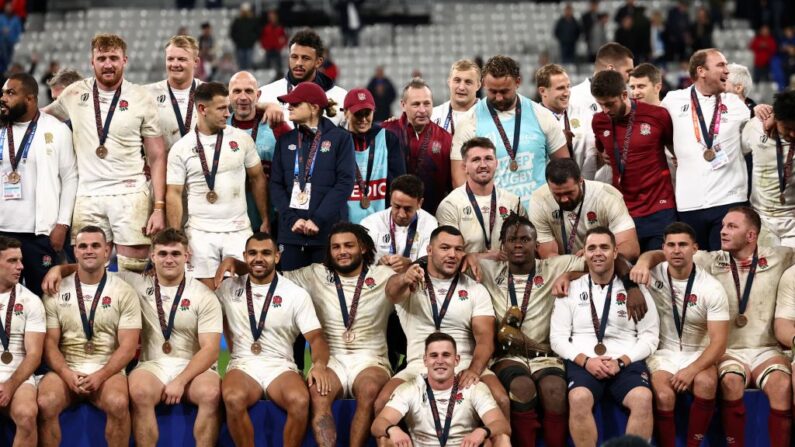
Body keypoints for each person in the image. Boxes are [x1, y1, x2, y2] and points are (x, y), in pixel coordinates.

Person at [43, 228, 223, 446]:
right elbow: (91, 267)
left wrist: (181, 380)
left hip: (191, 366)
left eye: (175, 254)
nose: (169, 259)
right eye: (163, 253)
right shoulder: (134, 282)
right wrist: (59, 269)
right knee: (139, 392)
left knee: (211, 394)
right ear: (152, 256)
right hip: (152, 365)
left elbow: (211, 350)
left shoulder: (204, 295)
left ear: (187, 256)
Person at [632, 206, 794, 447]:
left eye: (731, 227)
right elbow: (667, 252)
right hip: (727, 349)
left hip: (766, 348)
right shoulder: (708, 259)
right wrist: (643, 262)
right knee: (730, 382)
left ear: (751, 235)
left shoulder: (781, 257)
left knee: (781, 385)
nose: (723, 231)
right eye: (723, 226)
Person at [42, 33, 167, 274]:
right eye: (101, 58)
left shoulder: (141, 97)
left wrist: (159, 206)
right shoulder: (74, 93)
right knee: (87, 269)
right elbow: (39, 117)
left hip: (130, 193)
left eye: (113, 58)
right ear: (92, 62)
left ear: (125, 60)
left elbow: (157, 155)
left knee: (134, 272)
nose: (107, 64)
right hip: (87, 194)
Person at [278, 223, 395, 447]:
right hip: (331, 359)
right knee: (318, 392)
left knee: (370, 389)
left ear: (362, 247)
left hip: (371, 358)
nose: (342, 251)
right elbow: (272, 276)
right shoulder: (314, 274)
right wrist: (236, 265)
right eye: (336, 247)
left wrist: (412, 264)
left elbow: (409, 280)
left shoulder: (384, 275)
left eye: (348, 245)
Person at [375, 226, 510, 419]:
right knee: (381, 403)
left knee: (502, 399)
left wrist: (473, 370)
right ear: (429, 250)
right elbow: (391, 291)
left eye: (458, 249)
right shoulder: (411, 283)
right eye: (445, 248)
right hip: (419, 365)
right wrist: (404, 278)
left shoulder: (475, 290)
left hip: (463, 362)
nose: (452, 254)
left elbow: (485, 341)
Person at [216, 232, 330, 447]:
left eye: (266, 253)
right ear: (244, 256)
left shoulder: (296, 294)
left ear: (277, 257)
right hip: (243, 364)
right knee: (232, 397)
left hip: (281, 365)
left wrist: (320, 365)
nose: (259, 258)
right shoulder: (227, 289)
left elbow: (316, 338)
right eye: (253, 253)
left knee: (300, 400)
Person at [479, 214, 585, 447]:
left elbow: (602, 265)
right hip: (506, 356)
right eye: (512, 239)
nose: (518, 244)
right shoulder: (488, 270)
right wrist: (481, 255)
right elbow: (456, 259)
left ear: (536, 244)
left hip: (546, 355)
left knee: (555, 390)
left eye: (525, 239)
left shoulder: (555, 266)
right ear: (503, 245)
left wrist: (569, 275)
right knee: (521, 386)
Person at [550, 227, 659, 446]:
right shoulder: (570, 289)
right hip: (584, 361)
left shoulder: (635, 290)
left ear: (615, 252)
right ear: (584, 254)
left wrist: (622, 361)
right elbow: (558, 338)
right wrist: (586, 361)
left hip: (626, 360)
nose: (598, 253)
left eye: (604, 247)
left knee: (643, 399)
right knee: (578, 398)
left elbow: (650, 337)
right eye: (592, 248)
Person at [37, 226, 141, 447]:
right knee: (45, 403)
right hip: (67, 368)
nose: (89, 251)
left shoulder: (123, 291)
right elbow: (49, 343)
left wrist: (101, 375)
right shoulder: (57, 290)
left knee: (119, 402)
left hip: (107, 368)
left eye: (95, 245)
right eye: (82, 246)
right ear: (75, 251)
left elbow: (128, 347)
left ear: (107, 251)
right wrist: (66, 373)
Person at [166, 82, 267, 288]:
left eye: (227, 107)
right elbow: (174, 193)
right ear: (202, 109)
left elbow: (258, 178)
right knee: (204, 294)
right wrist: (176, 236)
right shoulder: (181, 148)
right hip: (199, 233)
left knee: (242, 294)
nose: (228, 113)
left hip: (238, 229)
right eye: (221, 108)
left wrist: (265, 219)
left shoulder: (241, 140)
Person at [642, 222, 729, 447]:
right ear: (664, 249)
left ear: (695, 249)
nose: (676, 250)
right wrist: (643, 260)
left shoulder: (711, 287)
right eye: (671, 245)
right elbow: (621, 264)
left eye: (683, 244)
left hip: (697, 351)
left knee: (707, 383)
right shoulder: (650, 274)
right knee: (663, 395)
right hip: (663, 352)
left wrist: (691, 370)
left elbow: (719, 344)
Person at [661, 49, 751, 251]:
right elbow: (659, 134)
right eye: (721, 65)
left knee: (725, 265)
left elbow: (753, 138)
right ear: (701, 71)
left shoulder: (735, 104)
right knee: (697, 266)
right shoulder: (672, 101)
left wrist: (763, 111)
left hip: (730, 200)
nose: (727, 71)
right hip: (689, 202)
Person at [452, 55, 568, 210]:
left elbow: (564, 166)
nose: (499, 98)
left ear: (518, 82)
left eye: (504, 91)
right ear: (484, 84)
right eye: (492, 91)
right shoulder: (469, 121)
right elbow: (459, 177)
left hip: (540, 214)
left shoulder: (541, 115)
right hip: (494, 215)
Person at [0, 73, 76, 297]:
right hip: (2, 229)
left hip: (39, 233)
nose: (3, 98)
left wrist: (62, 224)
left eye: (11, 93)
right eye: (3, 93)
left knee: (42, 295)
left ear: (31, 99)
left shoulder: (56, 130)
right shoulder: (1, 128)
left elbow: (71, 178)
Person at [371, 332, 511, 447]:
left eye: (446, 355)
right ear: (425, 361)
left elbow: (503, 425)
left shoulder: (473, 388)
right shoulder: (410, 389)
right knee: (386, 440)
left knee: (501, 439)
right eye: (434, 356)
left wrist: (483, 431)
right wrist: (392, 429)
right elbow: (378, 424)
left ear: (456, 360)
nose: (440, 361)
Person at [269, 82, 354, 270]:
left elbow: (345, 183)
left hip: (328, 233)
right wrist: (292, 220)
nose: (289, 107)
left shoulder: (341, 138)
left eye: (296, 103)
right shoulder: (285, 141)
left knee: (327, 295)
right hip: (291, 234)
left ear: (314, 108)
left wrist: (318, 219)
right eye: (289, 103)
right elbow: (275, 185)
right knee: (292, 294)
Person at [591, 69, 676, 252]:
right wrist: (605, 155)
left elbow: (674, 150)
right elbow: (602, 150)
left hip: (658, 206)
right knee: (627, 269)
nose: (606, 110)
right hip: (623, 210)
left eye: (610, 104)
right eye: (600, 105)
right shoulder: (599, 121)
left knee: (657, 267)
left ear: (624, 95)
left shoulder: (657, 115)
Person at [530, 158, 639, 260]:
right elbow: (548, 254)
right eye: (557, 194)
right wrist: (577, 265)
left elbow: (631, 248)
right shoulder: (540, 200)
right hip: (566, 270)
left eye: (569, 193)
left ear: (581, 181)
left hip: (604, 264)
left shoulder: (607, 196)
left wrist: (595, 255)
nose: (564, 199)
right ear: (549, 186)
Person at [436, 137, 526, 256]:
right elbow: (448, 254)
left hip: (507, 272)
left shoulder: (513, 202)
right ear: (464, 167)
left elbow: (525, 245)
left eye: (488, 159)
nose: (483, 165)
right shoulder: (450, 205)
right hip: (467, 274)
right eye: (476, 160)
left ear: (496, 163)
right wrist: (485, 257)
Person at [381, 78, 452, 215]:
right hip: (392, 215)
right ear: (403, 104)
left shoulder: (445, 139)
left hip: (431, 217)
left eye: (427, 104)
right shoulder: (386, 132)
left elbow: (450, 186)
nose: (422, 110)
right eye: (416, 104)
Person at [227, 71, 287, 233]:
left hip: (272, 217)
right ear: (229, 95)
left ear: (258, 95)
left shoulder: (276, 125)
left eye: (249, 91)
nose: (243, 97)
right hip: (229, 218)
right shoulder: (219, 127)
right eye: (237, 91)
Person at [0, 236, 46, 447]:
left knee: (27, 414)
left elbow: (35, 354)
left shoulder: (31, 300)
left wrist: (10, 385)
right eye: (12, 261)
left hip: (18, 373)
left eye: (20, 260)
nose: (20, 267)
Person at [258, 29, 347, 126]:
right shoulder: (266, 95)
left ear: (319, 62)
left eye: (305, 58)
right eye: (294, 57)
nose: (298, 63)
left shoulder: (341, 97)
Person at [342, 88, 405, 224]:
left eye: (367, 113)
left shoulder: (387, 138)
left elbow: (399, 183)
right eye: (358, 114)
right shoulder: (336, 140)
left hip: (382, 225)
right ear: (346, 113)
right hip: (345, 226)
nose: (363, 119)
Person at [742, 91, 795, 247]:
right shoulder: (755, 127)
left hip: (792, 218)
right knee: (766, 269)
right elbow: (738, 153)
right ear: (776, 119)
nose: (793, 133)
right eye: (787, 128)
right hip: (762, 218)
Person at [536, 63, 600, 179]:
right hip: (548, 188)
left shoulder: (583, 113)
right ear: (542, 91)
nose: (566, 93)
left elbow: (591, 152)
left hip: (583, 182)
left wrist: (583, 183)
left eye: (568, 86)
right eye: (560, 88)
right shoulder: (533, 119)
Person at [361, 174, 437, 270]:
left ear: (420, 203)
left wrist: (410, 265)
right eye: (397, 206)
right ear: (390, 199)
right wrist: (377, 264)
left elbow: (428, 260)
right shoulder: (370, 223)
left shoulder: (430, 223)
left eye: (407, 209)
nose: (401, 214)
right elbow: (361, 263)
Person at [146, 35, 202, 152]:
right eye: (170, 59)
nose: (175, 64)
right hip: (159, 168)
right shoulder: (146, 94)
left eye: (181, 59)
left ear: (196, 62)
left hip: (200, 167)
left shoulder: (210, 93)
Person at [431, 59, 481, 144]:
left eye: (468, 82)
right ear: (449, 82)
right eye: (457, 81)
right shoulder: (433, 116)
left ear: (478, 86)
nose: (461, 87)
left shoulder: (490, 116)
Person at [229, 3, 260, 71]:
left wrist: (252, 40)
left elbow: (257, 33)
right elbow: (232, 33)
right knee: (241, 66)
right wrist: (237, 41)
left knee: (249, 66)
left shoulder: (253, 21)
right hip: (240, 47)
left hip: (249, 46)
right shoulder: (237, 21)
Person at [259, 10, 287, 76]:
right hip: (268, 49)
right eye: (270, 16)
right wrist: (264, 47)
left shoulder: (280, 27)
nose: (271, 18)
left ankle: (280, 78)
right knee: (267, 67)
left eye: (272, 16)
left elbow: (284, 37)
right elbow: (262, 38)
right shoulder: (266, 27)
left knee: (279, 66)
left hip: (277, 49)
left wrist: (282, 46)